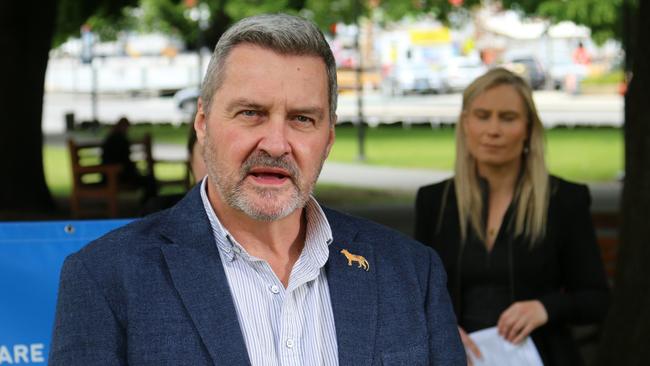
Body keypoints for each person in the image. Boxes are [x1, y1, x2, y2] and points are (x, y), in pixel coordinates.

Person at [50, 14, 465, 365]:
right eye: (251, 113)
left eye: (303, 119)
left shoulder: (411, 273)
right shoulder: (106, 278)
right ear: (203, 122)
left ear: (329, 136)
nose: (275, 143)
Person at [414, 68, 609, 366]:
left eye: (508, 118)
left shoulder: (563, 201)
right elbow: (416, 296)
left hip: (540, 356)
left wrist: (545, 308)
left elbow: (596, 299)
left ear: (529, 128)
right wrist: (443, 329)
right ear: (465, 123)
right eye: (482, 115)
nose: (493, 130)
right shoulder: (435, 202)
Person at [101, 116, 157, 200]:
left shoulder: (114, 137)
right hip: (117, 175)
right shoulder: (119, 139)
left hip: (114, 174)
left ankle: (148, 204)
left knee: (148, 181)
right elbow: (123, 161)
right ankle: (148, 205)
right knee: (150, 181)